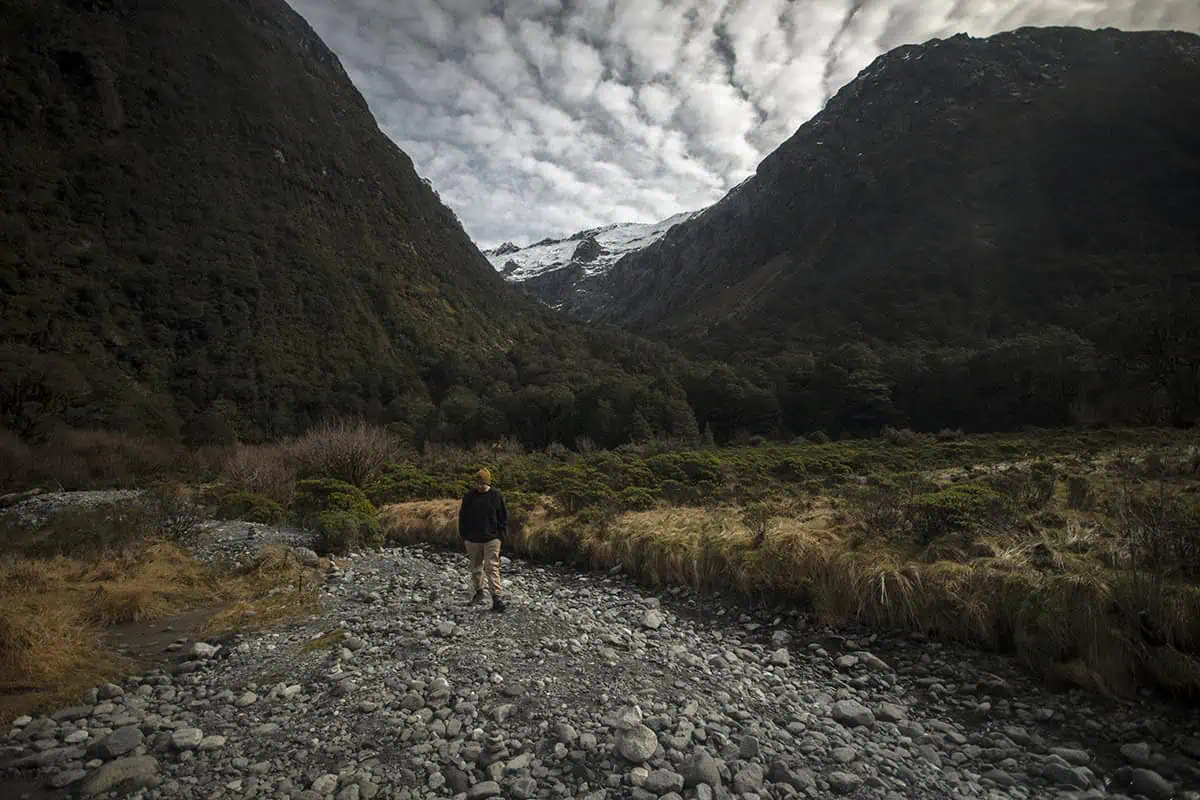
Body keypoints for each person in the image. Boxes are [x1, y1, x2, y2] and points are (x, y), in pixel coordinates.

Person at [458, 468, 508, 612]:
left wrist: (501, 535)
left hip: (492, 538)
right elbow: (463, 517)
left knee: (492, 567)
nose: (481, 486)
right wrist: (464, 536)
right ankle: (479, 591)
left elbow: (503, 516)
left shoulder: (496, 496)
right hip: (472, 539)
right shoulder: (469, 497)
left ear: (489, 483)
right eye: (478, 483)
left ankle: (496, 597)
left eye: (484, 484)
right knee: (475, 567)